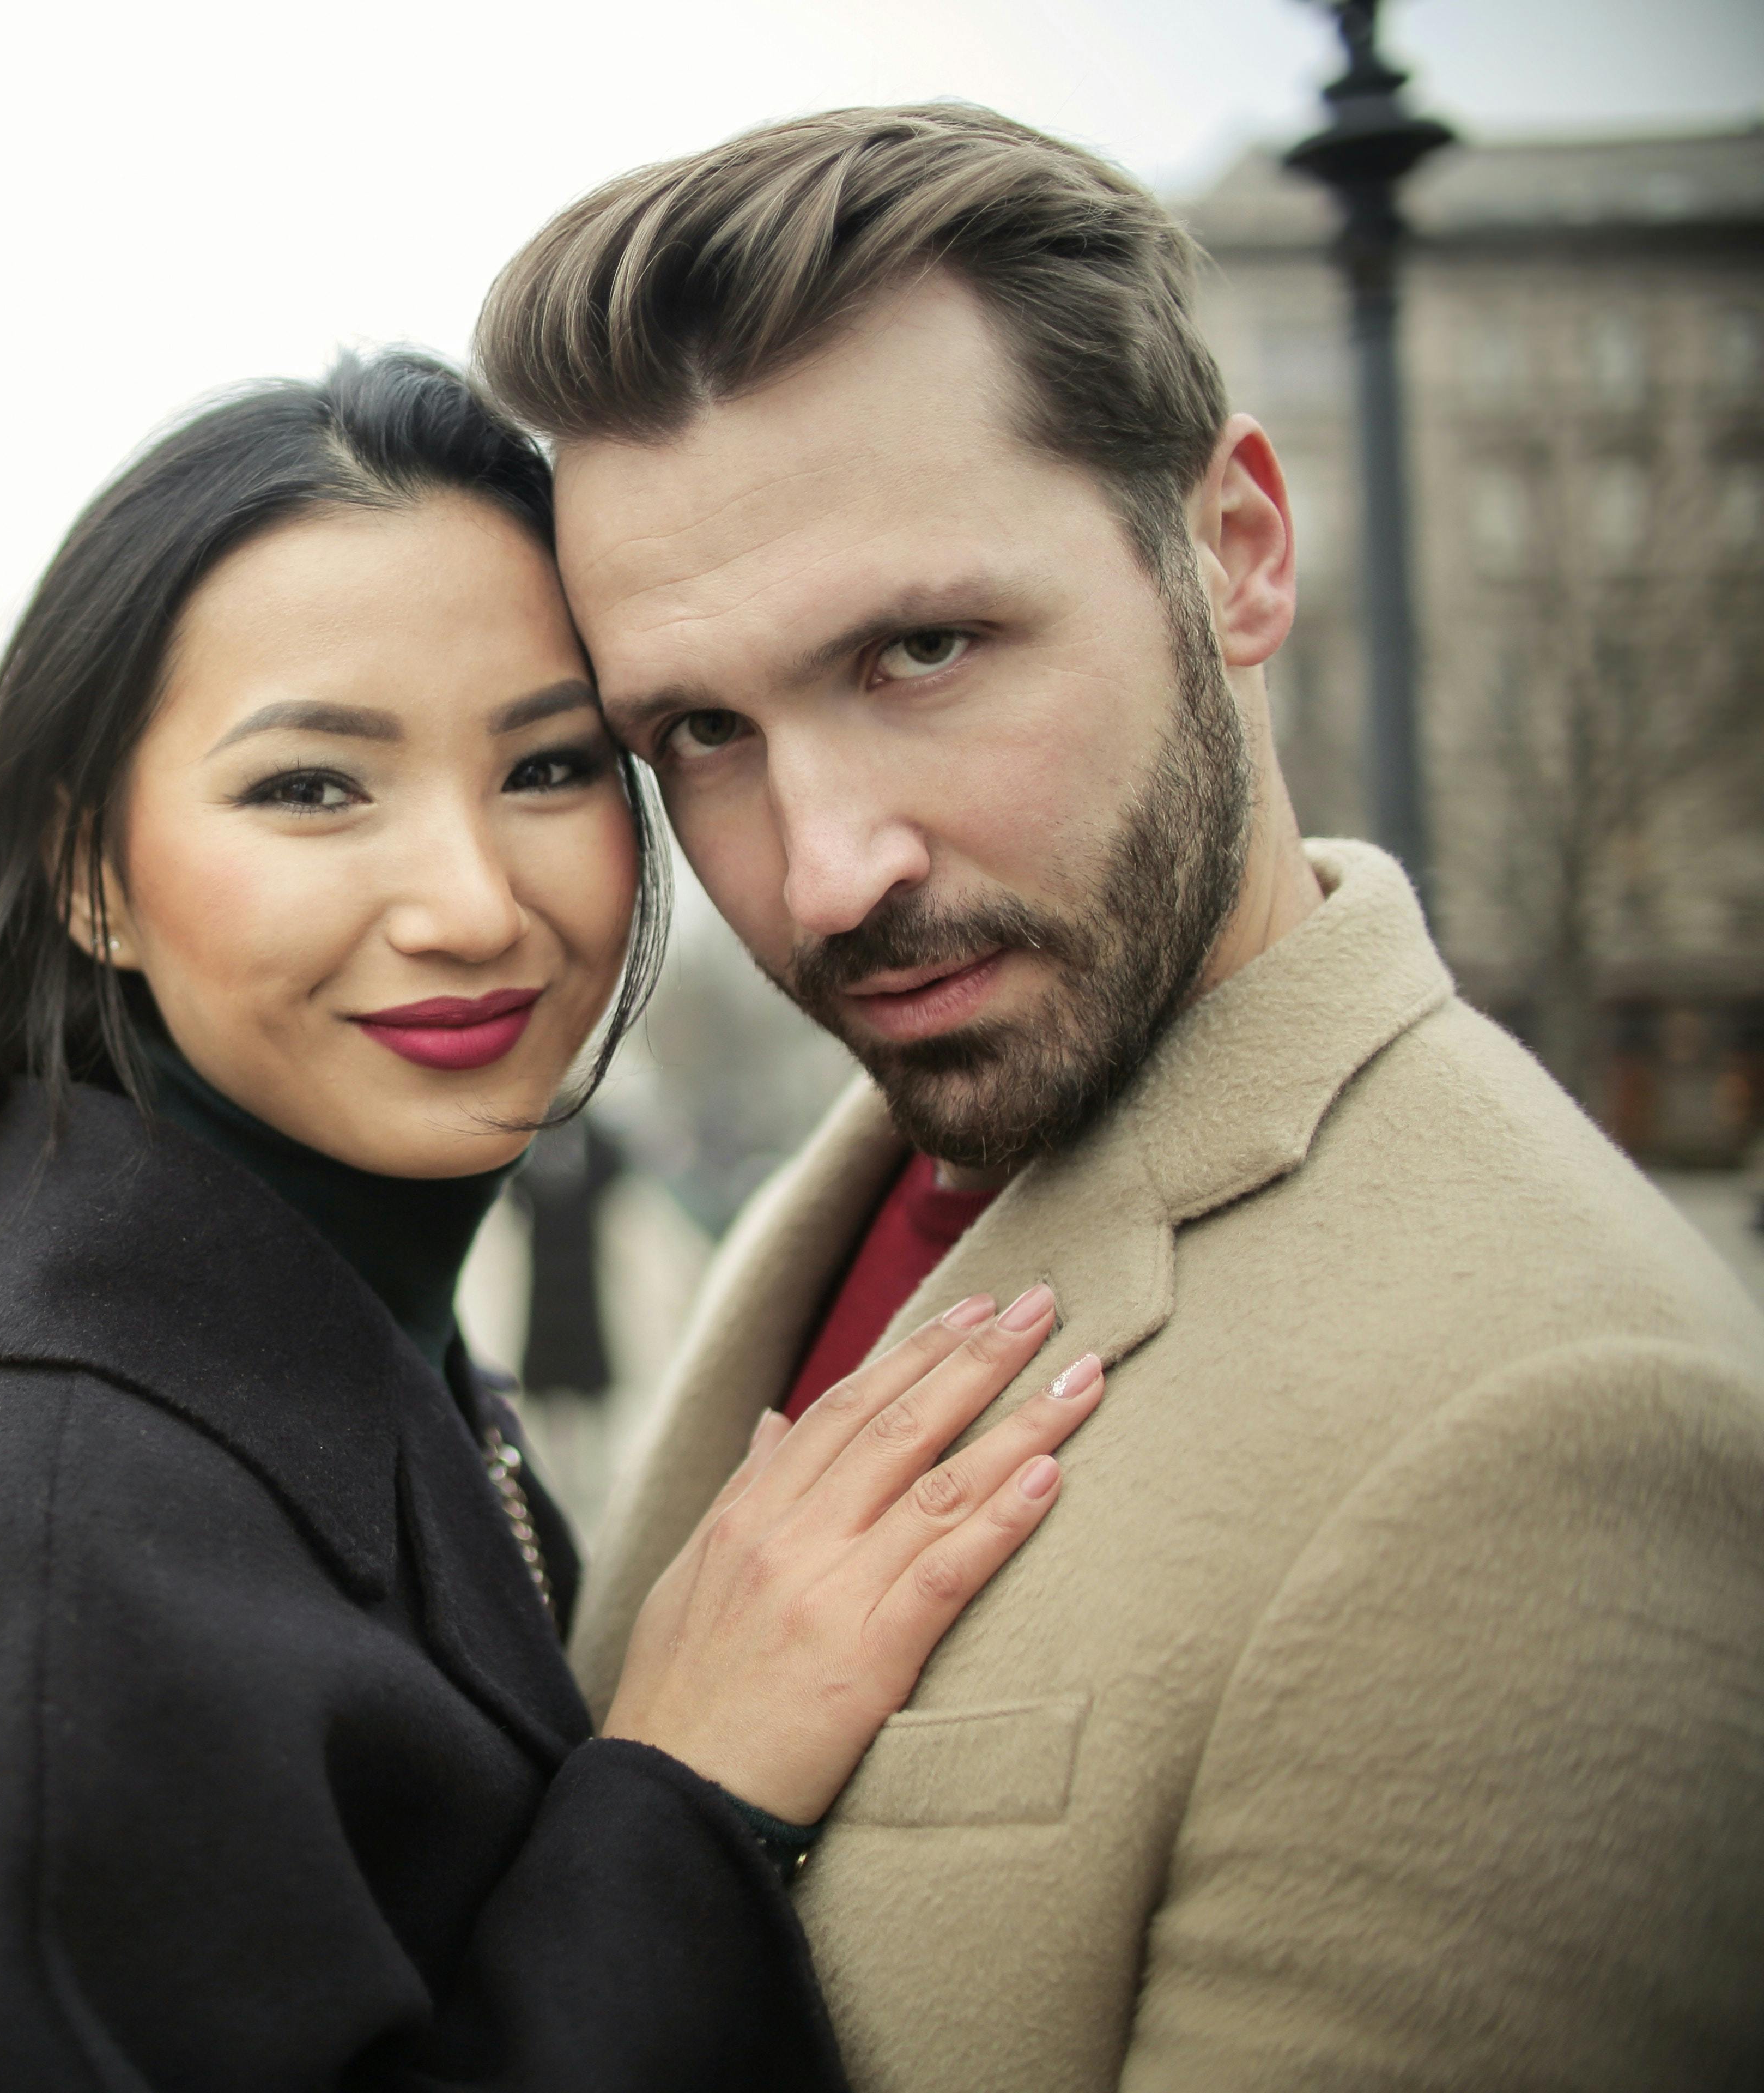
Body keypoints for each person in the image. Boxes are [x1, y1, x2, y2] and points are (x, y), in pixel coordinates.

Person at [475, 105, 1764, 2090]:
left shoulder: (1570, 1428)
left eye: (922, 648)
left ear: (1234, 551)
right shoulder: (905, 1166)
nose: (824, 873)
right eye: (703, 732)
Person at [0, 353, 1113, 2090]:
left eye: (552, 770)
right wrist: (683, 1800)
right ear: (93, 876)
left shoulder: (323, 1371)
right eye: (314, 790)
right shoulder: (76, 1599)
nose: (471, 904)